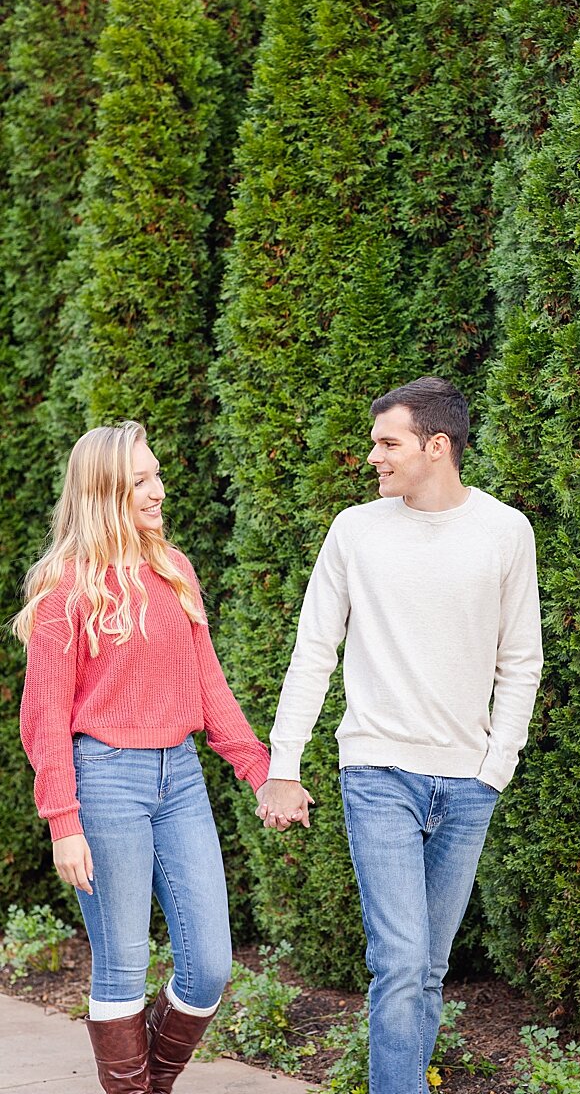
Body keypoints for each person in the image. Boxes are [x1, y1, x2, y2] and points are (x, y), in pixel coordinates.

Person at [256, 376, 543, 1094]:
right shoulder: (356, 530)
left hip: (469, 781)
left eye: (389, 442)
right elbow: (314, 650)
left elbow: (521, 658)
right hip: (379, 774)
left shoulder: (505, 531)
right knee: (401, 960)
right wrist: (282, 764)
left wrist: (495, 766)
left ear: (436, 446)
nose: (374, 456)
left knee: (430, 967)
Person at [13, 422, 294, 1094]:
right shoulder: (64, 593)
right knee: (122, 964)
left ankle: (150, 1083)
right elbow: (44, 717)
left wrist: (261, 770)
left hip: (181, 779)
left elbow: (209, 683)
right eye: (141, 481)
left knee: (210, 967)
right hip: (106, 780)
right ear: (106, 490)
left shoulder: (172, 569)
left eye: (157, 475)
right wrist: (63, 821)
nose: (158, 490)